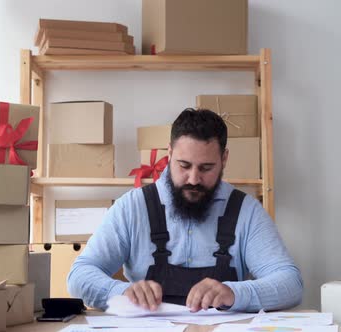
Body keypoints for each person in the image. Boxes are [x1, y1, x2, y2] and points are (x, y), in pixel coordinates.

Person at [68, 108, 303, 313]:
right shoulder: (131, 207)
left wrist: (235, 294)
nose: (193, 179)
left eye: (206, 167)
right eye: (184, 165)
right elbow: (79, 275)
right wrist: (122, 292)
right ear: (169, 154)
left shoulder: (246, 212)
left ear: (224, 159)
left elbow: (291, 284)